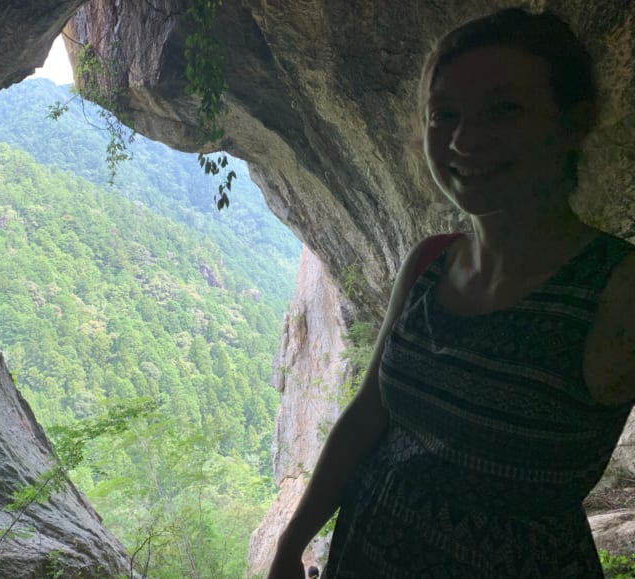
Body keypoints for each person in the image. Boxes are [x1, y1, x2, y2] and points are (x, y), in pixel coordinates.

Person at [268, 7, 635, 579]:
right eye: (445, 114)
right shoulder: (428, 264)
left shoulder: (616, 288)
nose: (465, 139)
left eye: (504, 109)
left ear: (573, 122)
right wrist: (291, 543)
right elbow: (368, 416)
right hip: (363, 555)